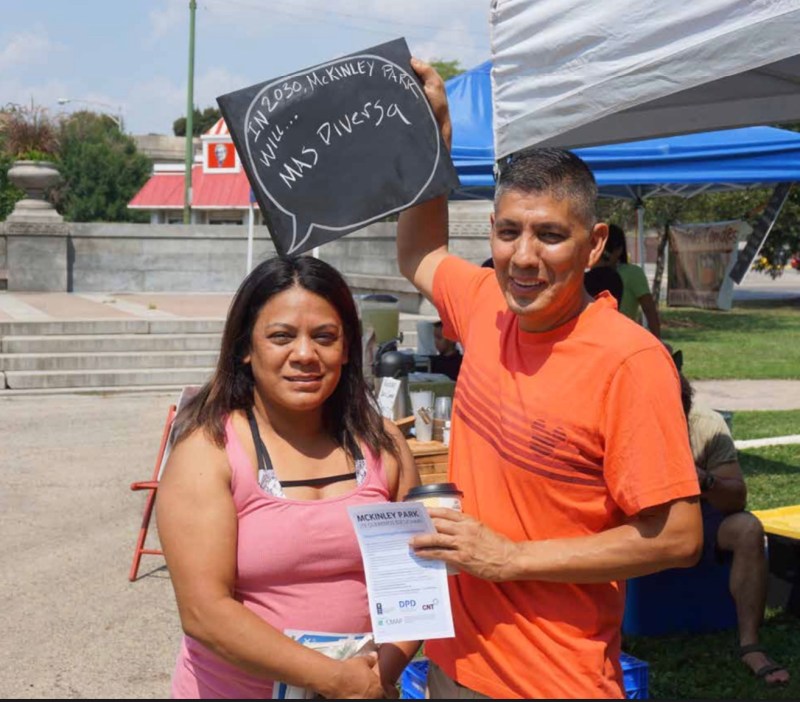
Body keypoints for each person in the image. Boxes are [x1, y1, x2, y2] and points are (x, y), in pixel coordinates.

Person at [395, 58, 703, 699]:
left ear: (594, 246)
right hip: (454, 665)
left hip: (554, 681)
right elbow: (420, 252)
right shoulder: (483, 302)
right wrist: (436, 135)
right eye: (509, 232)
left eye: (550, 235)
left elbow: (678, 537)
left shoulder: (628, 360)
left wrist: (509, 560)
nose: (524, 257)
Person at [156, 255, 421, 699]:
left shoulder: (384, 444)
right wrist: (332, 679)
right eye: (281, 337)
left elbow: (414, 585)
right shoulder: (208, 451)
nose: (304, 355)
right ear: (246, 347)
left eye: (325, 337)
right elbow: (204, 612)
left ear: (347, 348)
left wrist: (376, 679)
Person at [676, 366, 790, 687]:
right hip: (639, 521)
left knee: (748, 528)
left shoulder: (706, 424)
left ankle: (750, 645)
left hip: (701, 517)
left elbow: (736, 499)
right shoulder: (616, 419)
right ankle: (605, 637)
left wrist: (704, 479)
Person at [594, 223, 662, 338]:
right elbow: (649, 311)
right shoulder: (633, 273)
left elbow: (649, 310)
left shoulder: (586, 275)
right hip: (620, 340)